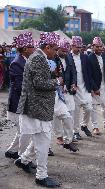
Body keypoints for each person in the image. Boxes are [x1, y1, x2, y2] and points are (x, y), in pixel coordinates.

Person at [15, 32, 61, 188]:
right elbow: (39, 83)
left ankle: (23, 160)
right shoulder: (39, 58)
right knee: (43, 142)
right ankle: (41, 176)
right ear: (47, 47)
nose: (56, 52)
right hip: (36, 108)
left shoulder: (38, 57)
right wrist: (56, 82)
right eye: (55, 49)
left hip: (36, 107)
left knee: (39, 139)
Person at [5, 32, 35, 159]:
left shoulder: (27, 60)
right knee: (24, 131)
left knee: (22, 131)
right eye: (32, 47)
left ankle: (12, 151)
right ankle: (22, 158)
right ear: (25, 49)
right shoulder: (16, 63)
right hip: (18, 103)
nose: (34, 49)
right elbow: (19, 86)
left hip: (24, 102)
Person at [53, 38, 78, 152]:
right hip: (56, 93)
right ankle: (59, 136)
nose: (65, 53)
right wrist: (58, 84)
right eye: (63, 51)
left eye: (67, 51)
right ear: (58, 49)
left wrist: (73, 83)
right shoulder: (53, 58)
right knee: (56, 116)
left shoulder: (68, 56)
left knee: (70, 114)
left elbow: (73, 71)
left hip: (68, 90)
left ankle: (69, 139)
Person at [88, 37, 105, 135]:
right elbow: (89, 75)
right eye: (97, 47)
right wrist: (94, 88)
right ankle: (95, 127)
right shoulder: (89, 57)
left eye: (101, 46)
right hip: (95, 87)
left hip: (104, 85)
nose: (99, 48)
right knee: (94, 107)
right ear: (93, 47)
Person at [69, 36, 93, 139]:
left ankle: (84, 125)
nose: (79, 49)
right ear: (72, 46)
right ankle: (75, 131)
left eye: (80, 47)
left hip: (85, 87)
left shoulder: (84, 57)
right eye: (77, 47)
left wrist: (91, 87)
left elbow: (89, 72)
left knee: (89, 108)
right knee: (76, 111)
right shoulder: (68, 57)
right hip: (74, 88)